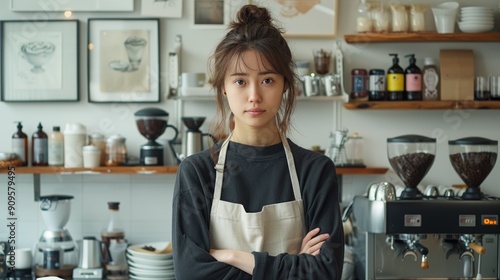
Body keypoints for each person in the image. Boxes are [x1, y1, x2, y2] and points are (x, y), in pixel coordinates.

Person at [172, 4, 344, 279]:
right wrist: (294, 264)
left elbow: (325, 272)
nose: (254, 96)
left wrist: (233, 257)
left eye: (267, 80)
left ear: (284, 85)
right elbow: (191, 273)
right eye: (240, 81)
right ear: (223, 88)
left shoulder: (315, 171)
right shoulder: (197, 172)